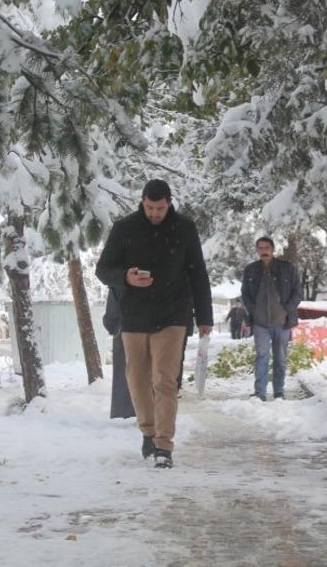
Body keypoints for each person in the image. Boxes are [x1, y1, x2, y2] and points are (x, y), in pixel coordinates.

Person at [95, 179, 213, 468]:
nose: (155, 213)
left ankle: (164, 445)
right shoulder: (125, 229)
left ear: (169, 202)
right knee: (137, 381)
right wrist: (126, 277)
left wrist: (205, 317)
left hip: (173, 314)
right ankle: (148, 432)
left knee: (164, 380)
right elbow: (103, 270)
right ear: (142, 202)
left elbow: (198, 273)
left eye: (160, 208)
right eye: (149, 207)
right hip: (134, 315)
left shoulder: (184, 228)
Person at [240, 236, 302, 401]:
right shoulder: (251, 270)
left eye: (266, 248)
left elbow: (298, 293)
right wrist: (252, 309)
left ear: (273, 249)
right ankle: (260, 392)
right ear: (257, 250)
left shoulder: (287, 268)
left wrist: (286, 309)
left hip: (282, 323)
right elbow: (244, 294)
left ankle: (279, 391)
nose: (264, 251)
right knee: (262, 357)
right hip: (260, 323)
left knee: (280, 359)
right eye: (260, 248)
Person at [103, 289, 136, 420]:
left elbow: (113, 300)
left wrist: (111, 325)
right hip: (151, 329)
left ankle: (124, 410)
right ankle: (145, 411)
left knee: (124, 372)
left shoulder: (121, 276)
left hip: (124, 327)